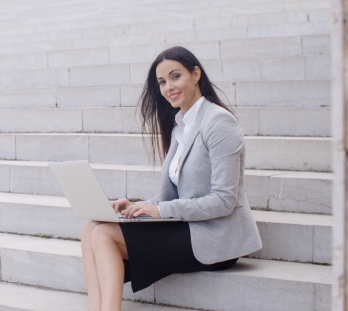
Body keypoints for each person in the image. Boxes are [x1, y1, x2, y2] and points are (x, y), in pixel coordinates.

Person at [79, 46, 262, 311]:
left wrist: (160, 210)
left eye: (176, 76)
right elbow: (173, 197)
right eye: (162, 82)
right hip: (189, 226)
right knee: (90, 229)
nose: (168, 87)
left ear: (195, 74)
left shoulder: (219, 123)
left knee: (104, 234)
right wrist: (136, 206)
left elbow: (224, 201)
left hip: (216, 238)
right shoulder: (181, 126)